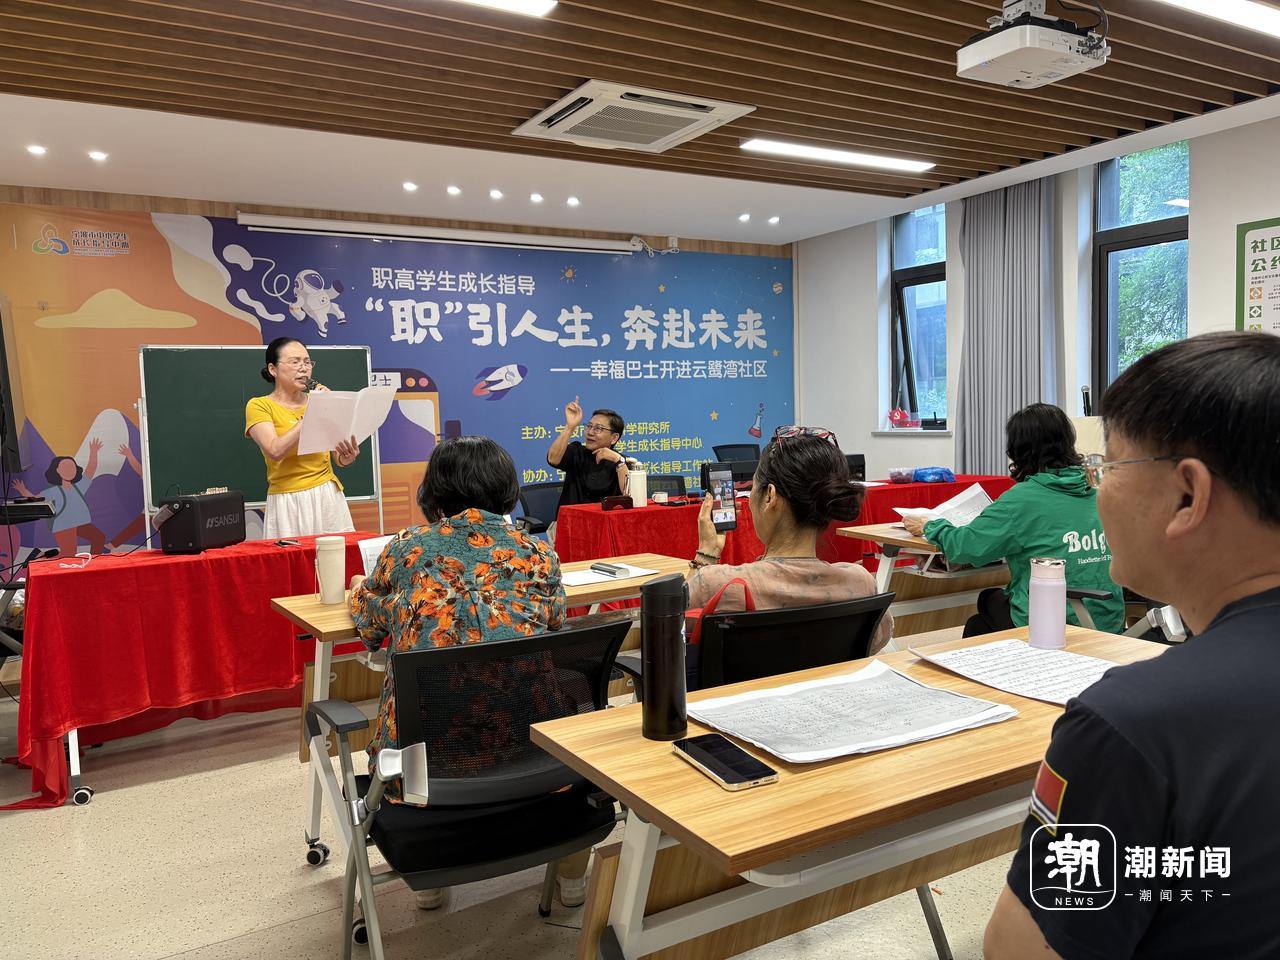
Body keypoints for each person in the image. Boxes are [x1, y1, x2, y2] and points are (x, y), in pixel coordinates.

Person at [985, 332, 1280, 959]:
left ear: (1187, 494)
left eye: (1108, 466)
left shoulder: (1130, 724)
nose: (1097, 488)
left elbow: (1020, 950)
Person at [348, 436, 590, 909]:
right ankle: (573, 879)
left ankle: (432, 883)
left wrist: (365, 591)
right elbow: (555, 617)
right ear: (506, 487)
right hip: (536, 756)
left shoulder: (409, 548)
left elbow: (371, 626)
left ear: (436, 489)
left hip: (425, 771)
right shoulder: (538, 552)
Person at [903, 403, 1123, 636]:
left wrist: (930, 526)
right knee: (991, 607)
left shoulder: (1021, 499)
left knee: (986, 607)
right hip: (1108, 619)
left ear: (1017, 449)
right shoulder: (1099, 487)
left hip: (1054, 621)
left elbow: (965, 547)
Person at [689, 426, 892, 655]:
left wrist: (706, 552)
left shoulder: (717, 585)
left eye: (753, 488)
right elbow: (878, 641)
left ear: (769, 496)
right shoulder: (861, 584)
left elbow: (671, 633)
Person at [244, 337, 360, 538]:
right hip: (287, 500)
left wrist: (346, 457)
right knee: (291, 557)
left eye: (307, 362)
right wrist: (312, 412)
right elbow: (274, 450)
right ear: (273, 369)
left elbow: (337, 456)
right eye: (295, 362)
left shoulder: (320, 402)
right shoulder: (259, 405)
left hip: (327, 495)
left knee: (336, 555)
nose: (303, 368)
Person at [13, 440, 107, 556]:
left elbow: (90, 470)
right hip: (64, 525)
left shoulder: (79, 486)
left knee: (98, 538)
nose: (69, 470)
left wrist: (93, 452)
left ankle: (94, 562)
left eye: (72, 467)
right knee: (68, 554)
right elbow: (36, 499)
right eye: (65, 467)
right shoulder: (53, 491)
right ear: (57, 470)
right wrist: (23, 491)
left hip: (80, 522)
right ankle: (41, 557)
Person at [546, 397, 629, 513]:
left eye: (598, 429)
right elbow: (552, 459)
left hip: (604, 522)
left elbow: (630, 497)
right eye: (589, 426)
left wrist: (618, 461)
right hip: (571, 520)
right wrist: (570, 427)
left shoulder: (621, 462)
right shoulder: (576, 452)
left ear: (614, 438)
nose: (590, 432)